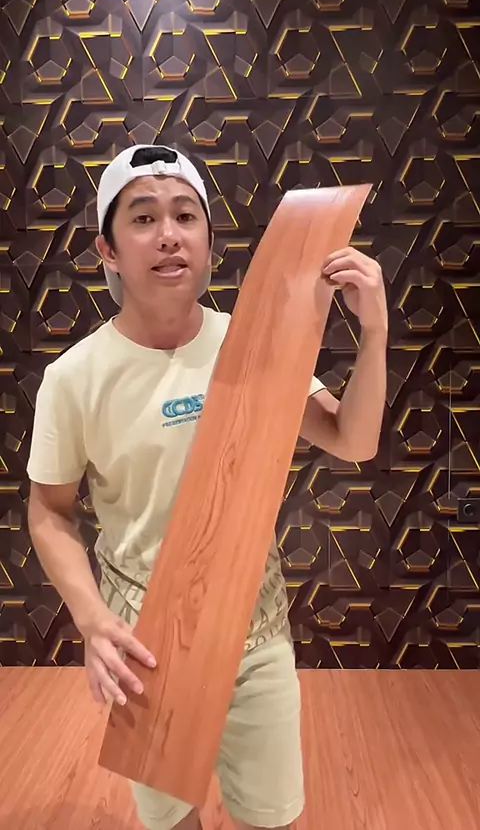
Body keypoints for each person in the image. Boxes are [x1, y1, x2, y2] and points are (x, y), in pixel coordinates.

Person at [27, 144, 387, 830]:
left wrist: (374, 330)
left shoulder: (255, 344)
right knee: (172, 821)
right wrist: (92, 620)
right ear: (108, 250)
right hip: (146, 642)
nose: (169, 234)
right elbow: (48, 512)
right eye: (143, 218)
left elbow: (353, 439)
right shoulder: (74, 379)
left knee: (270, 818)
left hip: (257, 632)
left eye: (185, 215)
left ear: (210, 243)